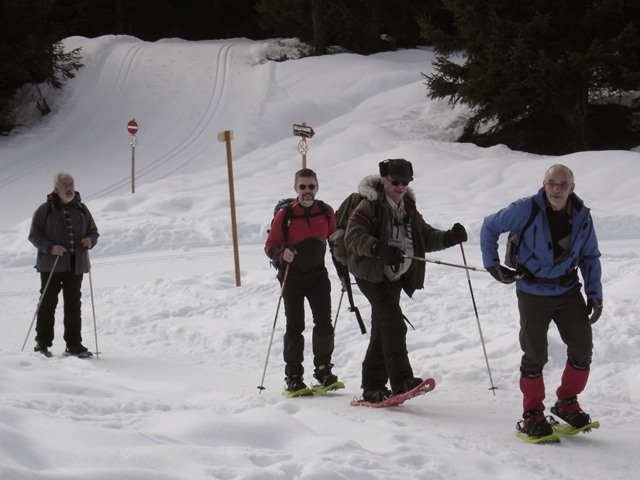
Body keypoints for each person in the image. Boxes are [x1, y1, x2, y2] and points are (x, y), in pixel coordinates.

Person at [480, 164, 603, 438]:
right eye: (551, 183)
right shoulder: (526, 208)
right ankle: (532, 414)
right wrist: (493, 264)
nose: (556, 189)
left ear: (572, 188)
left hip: (568, 289)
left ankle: (566, 403)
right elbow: (489, 226)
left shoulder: (582, 216)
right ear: (544, 184)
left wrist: (594, 293)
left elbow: (589, 256)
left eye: (562, 184)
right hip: (532, 291)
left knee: (582, 348)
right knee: (535, 354)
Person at [343, 159, 468, 403]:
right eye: (394, 181)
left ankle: (372, 387)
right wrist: (379, 248)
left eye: (405, 181)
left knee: (383, 329)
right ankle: (401, 381)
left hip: (394, 276)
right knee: (393, 322)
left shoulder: (408, 207)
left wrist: (449, 238)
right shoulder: (370, 206)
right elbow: (352, 237)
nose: (400, 186)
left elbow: (424, 236)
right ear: (384, 180)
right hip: (371, 274)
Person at [264, 168, 340, 393]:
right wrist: (281, 254)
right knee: (295, 326)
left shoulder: (326, 212)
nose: (307, 191)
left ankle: (323, 371)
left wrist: (344, 277)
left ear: (317, 187)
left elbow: (335, 246)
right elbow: (270, 246)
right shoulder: (286, 214)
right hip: (292, 277)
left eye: (311, 186)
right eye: (303, 187)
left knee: (324, 324)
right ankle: (294, 376)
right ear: (295, 188)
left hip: (318, 275)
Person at [28, 172, 100, 357]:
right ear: (56, 189)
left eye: (71, 184)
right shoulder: (45, 210)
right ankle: (42, 344)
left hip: (76, 265)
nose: (69, 187)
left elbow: (94, 232)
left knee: (73, 305)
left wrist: (90, 241)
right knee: (47, 303)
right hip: (52, 265)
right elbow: (34, 236)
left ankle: (74, 345)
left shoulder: (82, 209)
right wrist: (50, 248)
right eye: (65, 184)